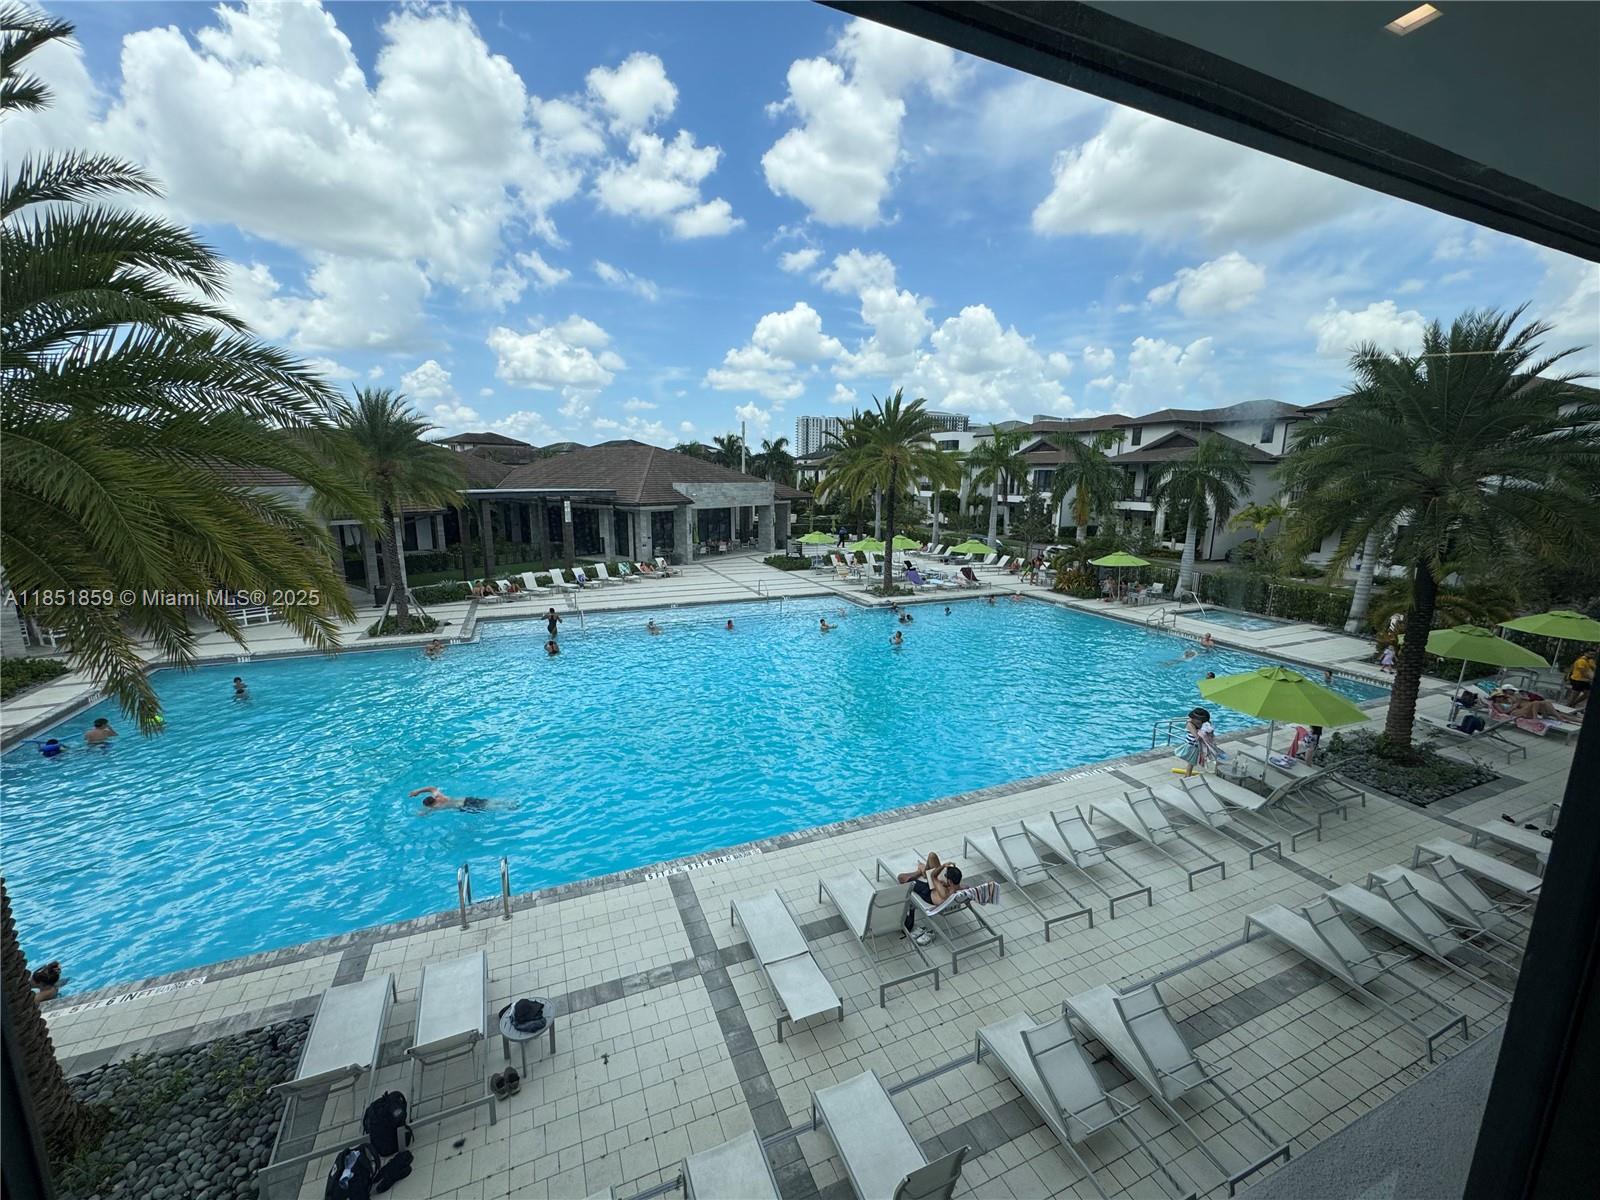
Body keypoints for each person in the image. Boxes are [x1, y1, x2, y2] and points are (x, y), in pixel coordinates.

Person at [896, 854, 962, 946]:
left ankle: (919, 872)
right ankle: (924, 871)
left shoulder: (944, 893)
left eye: (946, 875)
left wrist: (943, 866)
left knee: (901, 877)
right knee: (932, 856)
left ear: (950, 881)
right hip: (937, 888)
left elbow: (933, 876)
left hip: (927, 893)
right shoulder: (959, 887)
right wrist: (944, 882)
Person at [410, 786, 499, 813]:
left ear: (431, 804)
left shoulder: (436, 806)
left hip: (466, 806)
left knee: (490, 807)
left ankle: (506, 807)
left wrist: (421, 813)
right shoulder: (439, 796)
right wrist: (417, 791)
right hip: (467, 800)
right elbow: (431, 788)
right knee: (488, 802)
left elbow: (427, 811)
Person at [1176, 709, 1207, 777]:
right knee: (1191, 763)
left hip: (1194, 746)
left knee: (1191, 763)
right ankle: (1187, 777)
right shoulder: (1190, 724)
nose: (1201, 722)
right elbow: (1197, 737)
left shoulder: (1197, 724)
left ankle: (1187, 776)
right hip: (1191, 746)